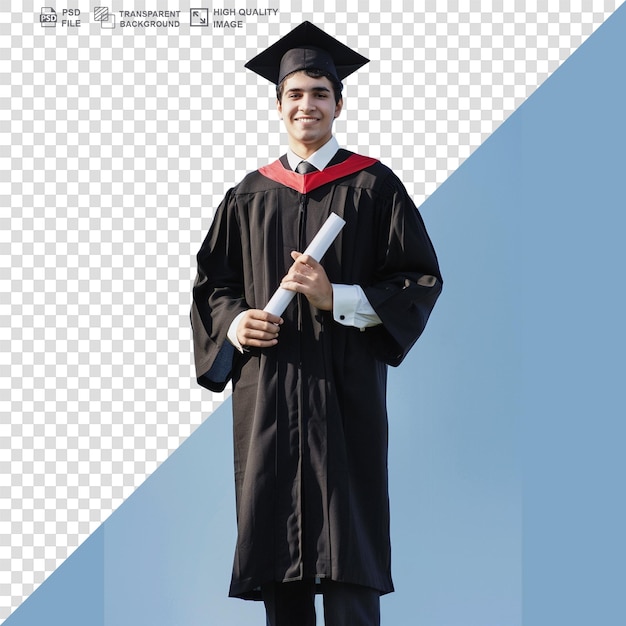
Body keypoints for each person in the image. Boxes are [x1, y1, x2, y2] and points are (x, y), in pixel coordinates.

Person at [191, 21, 442, 626]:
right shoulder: (248, 195)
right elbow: (213, 286)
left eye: (320, 94)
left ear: (339, 103)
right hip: (271, 394)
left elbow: (418, 279)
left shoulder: (373, 185)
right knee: (281, 562)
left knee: (348, 554)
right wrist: (235, 325)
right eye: (296, 94)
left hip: (343, 394)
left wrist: (338, 298)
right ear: (279, 104)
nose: (308, 104)